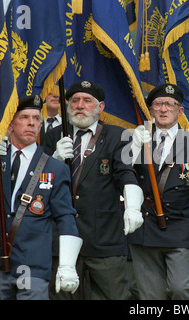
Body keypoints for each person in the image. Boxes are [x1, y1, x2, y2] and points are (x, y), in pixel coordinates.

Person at [43, 80, 144, 300]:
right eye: (75, 100)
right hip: (62, 240)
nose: (80, 105)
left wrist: (133, 206)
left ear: (100, 108)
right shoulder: (52, 136)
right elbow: (40, 186)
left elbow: (125, 173)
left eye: (87, 101)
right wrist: (54, 160)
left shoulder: (118, 135)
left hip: (104, 241)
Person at [0, 95, 82, 300]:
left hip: (32, 266)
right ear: (10, 125)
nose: (31, 123)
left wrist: (67, 265)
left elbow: (66, 216)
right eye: (24, 117)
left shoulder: (55, 167)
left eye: (36, 118)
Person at [129, 83, 189, 300]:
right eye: (158, 103)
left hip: (181, 226)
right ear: (151, 110)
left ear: (180, 111)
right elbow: (123, 175)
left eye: (170, 104)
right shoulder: (137, 139)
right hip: (146, 227)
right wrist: (133, 149)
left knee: (182, 289)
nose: (163, 109)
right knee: (150, 295)